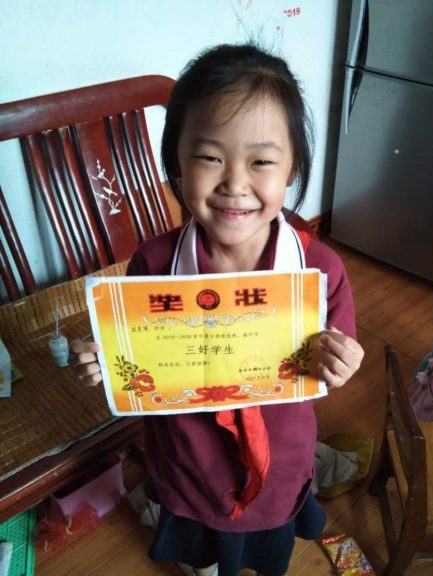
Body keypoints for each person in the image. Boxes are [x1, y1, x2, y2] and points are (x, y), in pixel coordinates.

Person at [71, 42, 364, 576]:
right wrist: (107, 362)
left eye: (261, 161)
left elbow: (332, 367)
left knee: (267, 550)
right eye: (209, 156)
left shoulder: (320, 270)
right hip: (187, 462)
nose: (234, 184)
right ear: (176, 163)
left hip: (281, 460)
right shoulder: (154, 262)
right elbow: (137, 362)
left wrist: (341, 363)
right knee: (198, 549)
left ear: (292, 167)